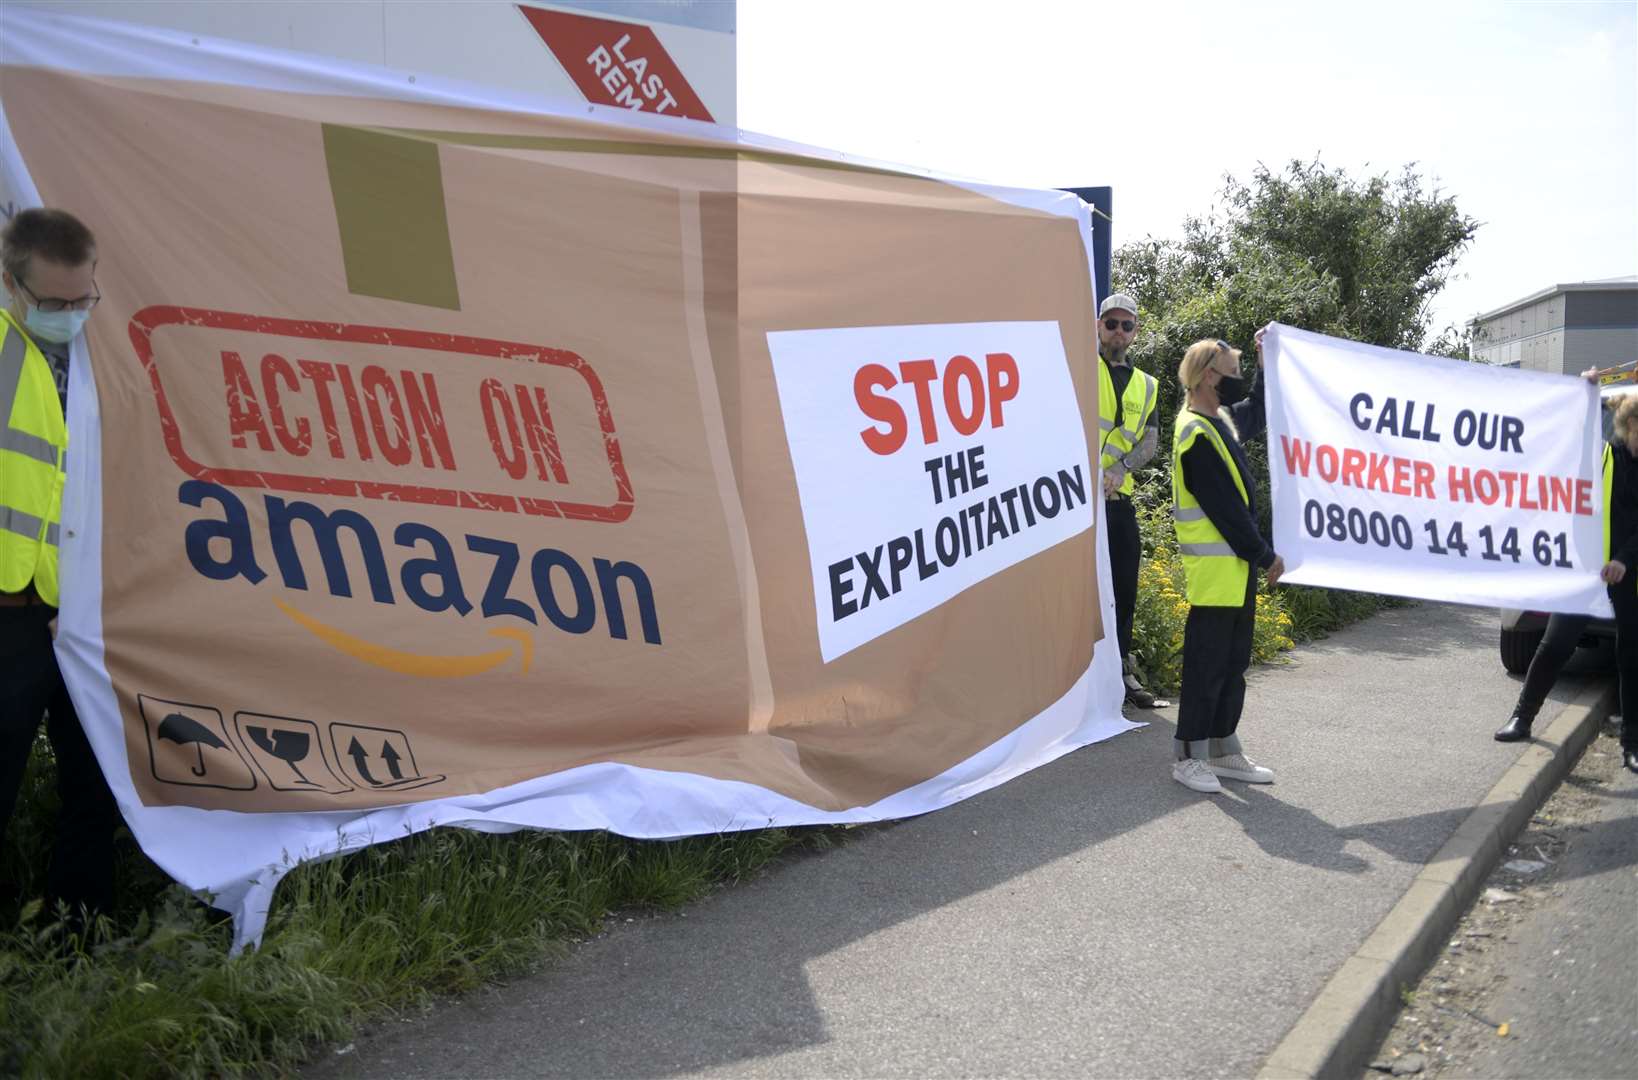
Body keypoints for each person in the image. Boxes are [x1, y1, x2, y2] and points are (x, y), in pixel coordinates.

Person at [0, 207, 121, 921]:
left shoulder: (101, 356)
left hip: (76, 613)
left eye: (84, 301)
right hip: (9, 614)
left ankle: (79, 936)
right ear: (12, 287)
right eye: (54, 304)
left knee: (95, 780)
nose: (72, 315)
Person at [1498, 384, 1638, 774]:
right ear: (1626, 427)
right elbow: (1572, 438)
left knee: (1631, 658)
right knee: (1554, 644)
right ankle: (1521, 718)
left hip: (1631, 574)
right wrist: (1586, 392)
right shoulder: (1601, 457)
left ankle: (1632, 745)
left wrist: (1624, 560)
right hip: (1587, 572)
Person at [1168, 333, 1284, 793]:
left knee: (1232, 662)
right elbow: (1226, 511)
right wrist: (1264, 554)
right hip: (1217, 573)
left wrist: (1264, 359)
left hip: (1234, 574)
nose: (1234, 380)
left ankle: (1222, 748)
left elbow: (1258, 406)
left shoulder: (1221, 422)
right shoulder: (1195, 432)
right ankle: (1188, 754)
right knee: (1207, 663)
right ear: (1206, 377)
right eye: (1229, 371)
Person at [1096, 292, 1162, 709]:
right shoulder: (1077, 365)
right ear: (1098, 325)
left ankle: (1121, 672)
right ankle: (1077, 680)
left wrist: (1119, 469)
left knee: (1123, 591)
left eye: (1127, 325)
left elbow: (1151, 441)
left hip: (1118, 501)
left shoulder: (1148, 384)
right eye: (1111, 323)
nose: (1118, 331)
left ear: (1136, 333)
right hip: (1073, 501)